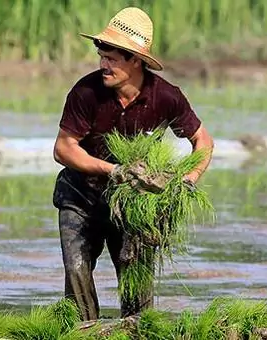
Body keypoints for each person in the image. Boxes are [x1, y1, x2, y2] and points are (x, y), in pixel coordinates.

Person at [51, 7, 214, 321]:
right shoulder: (86, 93)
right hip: (80, 197)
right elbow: (63, 148)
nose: (103, 64)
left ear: (135, 60)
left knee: (135, 278)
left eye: (112, 59)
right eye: (101, 56)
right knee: (76, 271)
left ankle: (137, 328)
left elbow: (203, 141)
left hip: (132, 202)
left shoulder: (166, 97)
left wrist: (189, 179)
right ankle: (84, 330)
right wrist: (112, 170)